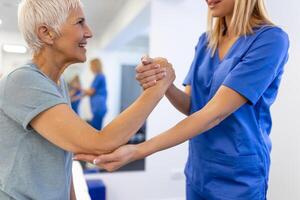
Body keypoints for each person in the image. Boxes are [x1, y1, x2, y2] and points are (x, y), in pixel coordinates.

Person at [75, 0, 290, 199]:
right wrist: (163, 80)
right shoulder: (206, 41)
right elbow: (191, 106)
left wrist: (138, 150)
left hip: (238, 174)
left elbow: (213, 114)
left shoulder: (270, 40)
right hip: (199, 168)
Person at [0, 0, 172, 199]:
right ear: (46, 33)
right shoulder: (23, 80)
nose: (89, 32)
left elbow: (64, 155)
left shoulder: (57, 82)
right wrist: (159, 86)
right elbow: (101, 142)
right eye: (80, 22)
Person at [82, 58, 107, 130]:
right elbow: (90, 92)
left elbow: (90, 92)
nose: (90, 68)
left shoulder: (99, 76)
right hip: (98, 107)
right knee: (95, 128)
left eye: (91, 66)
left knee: (95, 129)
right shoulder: (99, 76)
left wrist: (79, 89)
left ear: (95, 66)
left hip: (98, 106)